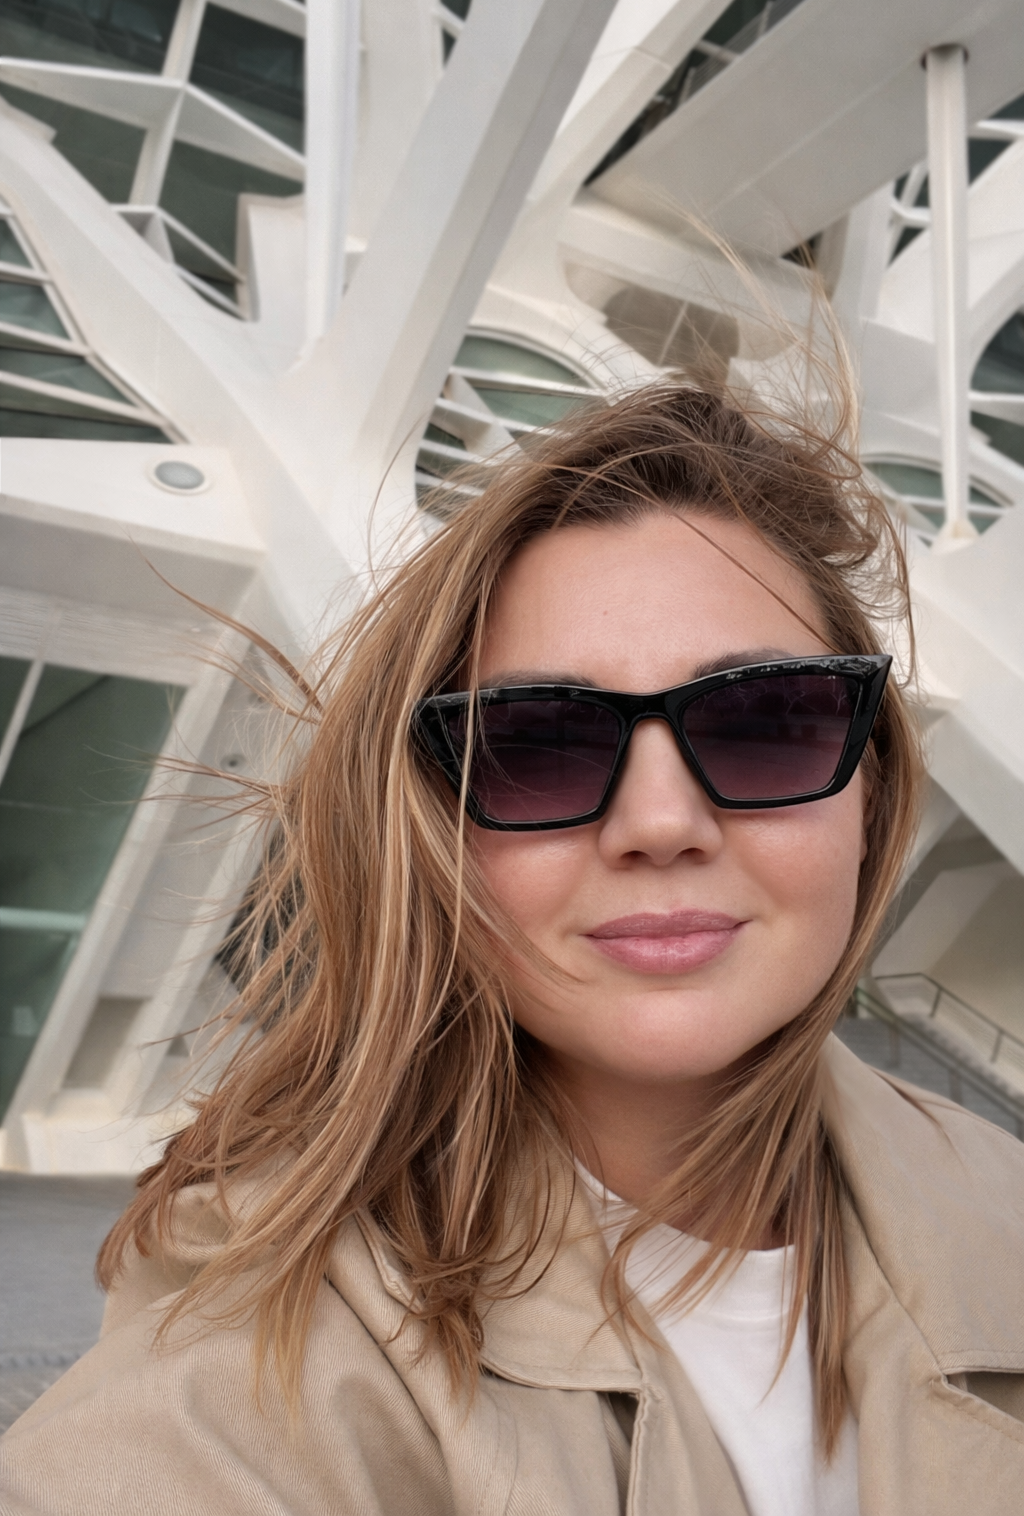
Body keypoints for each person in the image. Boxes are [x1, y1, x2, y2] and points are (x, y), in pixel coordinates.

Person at [2, 384, 1023, 1516]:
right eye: (534, 747)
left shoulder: (1003, 1206)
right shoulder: (275, 1339)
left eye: (765, 722)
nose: (660, 824)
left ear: (872, 784)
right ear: (431, 830)